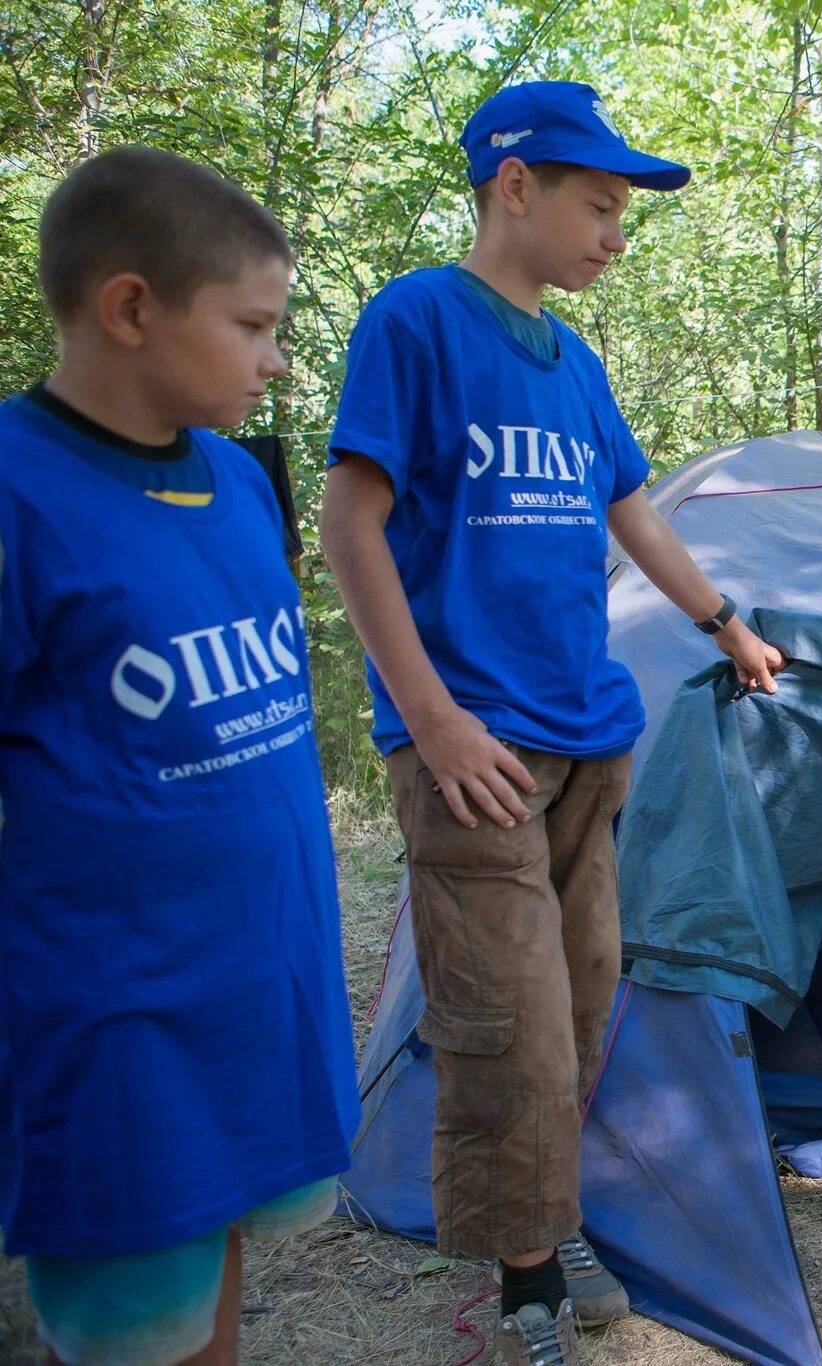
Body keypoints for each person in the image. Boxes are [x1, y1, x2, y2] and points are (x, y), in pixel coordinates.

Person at [321, 82, 784, 1363]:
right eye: (597, 206)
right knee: (503, 1018)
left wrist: (722, 622)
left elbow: (631, 509)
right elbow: (350, 523)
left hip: (590, 736)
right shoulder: (417, 319)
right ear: (512, 184)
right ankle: (524, 1274)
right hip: (472, 750)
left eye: (623, 215)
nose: (614, 237)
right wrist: (430, 719)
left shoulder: (574, 363)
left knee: (579, 1005)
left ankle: (550, 1211)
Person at [0, 147, 357, 1366]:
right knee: (123, 1321)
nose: (275, 358)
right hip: (117, 1013)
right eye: (254, 324)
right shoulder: (15, 489)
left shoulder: (239, 480)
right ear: (131, 308)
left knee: (218, 1279)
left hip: (257, 982)